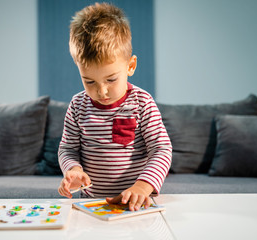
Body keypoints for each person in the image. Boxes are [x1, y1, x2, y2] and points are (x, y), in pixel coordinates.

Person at [58, 2, 172, 211]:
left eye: (111, 80)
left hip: (136, 203)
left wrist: (143, 186)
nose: (101, 91)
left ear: (130, 66)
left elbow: (161, 149)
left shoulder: (142, 102)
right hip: (90, 204)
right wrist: (73, 169)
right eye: (89, 81)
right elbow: (68, 148)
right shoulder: (77, 106)